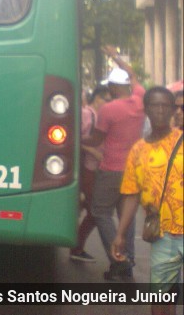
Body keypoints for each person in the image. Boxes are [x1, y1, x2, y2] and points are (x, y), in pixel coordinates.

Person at [111, 87, 183, 315]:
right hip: (163, 235)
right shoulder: (138, 151)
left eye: (165, 106)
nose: (160, 110)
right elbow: (131, 194)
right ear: (146, 110)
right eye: (155, 105)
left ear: (173, 110)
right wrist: (120, 234)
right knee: (162, 298)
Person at [82, 45, 146, 280]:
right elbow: (133, 74)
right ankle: (126, 262)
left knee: (100, 211)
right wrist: (116, 57)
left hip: (111, 169)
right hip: (134, 169)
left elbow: (96, 138)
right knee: (125, 217)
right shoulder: (140, 99)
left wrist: (76, 137)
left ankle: (119, 258)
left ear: (111, 87)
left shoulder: (109, 109)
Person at [70, 84, 111, 262]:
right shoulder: (87, 114)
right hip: (87, 168)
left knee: (94, 211)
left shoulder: (101, 116)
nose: (108, 104)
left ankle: (77, 247)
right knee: (95, 211)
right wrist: (92, 151)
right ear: (97, 98)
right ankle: (76, 247)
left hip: (95, 169)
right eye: (106, 100)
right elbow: (73, 138)